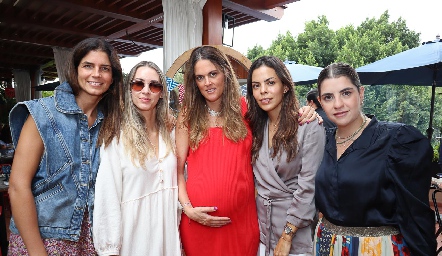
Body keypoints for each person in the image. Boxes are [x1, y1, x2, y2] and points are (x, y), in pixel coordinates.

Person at [176, 46, 319, 256]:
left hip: (241, 224)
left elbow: (279, 115)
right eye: (200, 77)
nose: (207, 83)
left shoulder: (247, 110)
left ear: (225, 72)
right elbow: (177, 170)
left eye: (213, 74)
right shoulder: (187, 116)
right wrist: (188, 209)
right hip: (198, 225)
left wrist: (307, 112)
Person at [7, 37, 123, 255]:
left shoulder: (111, 122)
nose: (96, 74)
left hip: (91, 240)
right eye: (88, 66)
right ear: (75, 70)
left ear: (112, 78)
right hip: (43, 238)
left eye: (104, 68)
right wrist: (36, 251)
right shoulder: (42, 113)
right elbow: (18, 186)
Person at [314, 63, 436, 256]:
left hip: (377, 250)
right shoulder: (320, 140)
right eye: (329, 97)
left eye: (346, 93)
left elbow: (416, 216)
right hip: (326, 246)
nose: (338, 104)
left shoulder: (396, 141)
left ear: (361, 94)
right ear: (320, 102)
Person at [93, 61, 181, 255]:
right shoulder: (116, 136)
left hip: (169, 238)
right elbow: (107, 196)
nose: (146, 91)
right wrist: (109, 249)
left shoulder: (171, 133)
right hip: (134, 241)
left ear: (162, 93)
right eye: (138, 84)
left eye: (154, 85)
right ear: (129, 89)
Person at [245, 56, 325, 256]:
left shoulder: (308, 125)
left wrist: (287, 236)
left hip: (295, 233)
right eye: (256, 85)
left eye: (270, 83)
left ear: (286, 86)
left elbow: (309, 187)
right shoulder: (255, 126)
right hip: (261, 232)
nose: (263, 90)